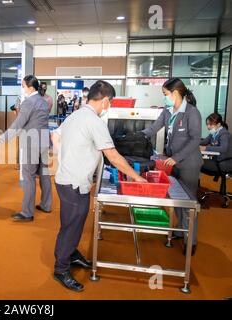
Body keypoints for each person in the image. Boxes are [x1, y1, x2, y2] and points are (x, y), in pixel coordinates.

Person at [51, 80, 146, 292]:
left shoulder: (75, 115)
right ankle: (61, 268)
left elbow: (54, 135)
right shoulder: (95, 122)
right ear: (104, 100)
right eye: (109, 102)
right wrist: (136, 177)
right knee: (71, 225)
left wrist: (65, 157)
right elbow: (112, 155)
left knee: (74, 223)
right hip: (74, 182)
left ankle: (71, 253)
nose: (109, 106)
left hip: (68, 179)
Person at [142, 78, 202, 256]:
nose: (164, 98)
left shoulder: (192, 113)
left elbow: (195, 139)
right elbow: (153, 128)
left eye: (165, 94)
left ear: (175, 93)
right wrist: (136, 136)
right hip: (172, 162)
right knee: (176, 198)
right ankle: (181, 230)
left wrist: (176, 158)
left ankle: (191, 240)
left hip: (188, 163)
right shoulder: (168, 112)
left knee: (189, 202)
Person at [0, 75, 52, 222]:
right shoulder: (44, 101)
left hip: (31, 143)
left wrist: (0, 140)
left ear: (30, 87)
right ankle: (46, 204)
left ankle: (27, 212)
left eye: (23, 86)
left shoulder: (28, 102)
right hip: (44, 141)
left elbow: (17, 124)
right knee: (44, 174)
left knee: (29, 177)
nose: (22, 88)